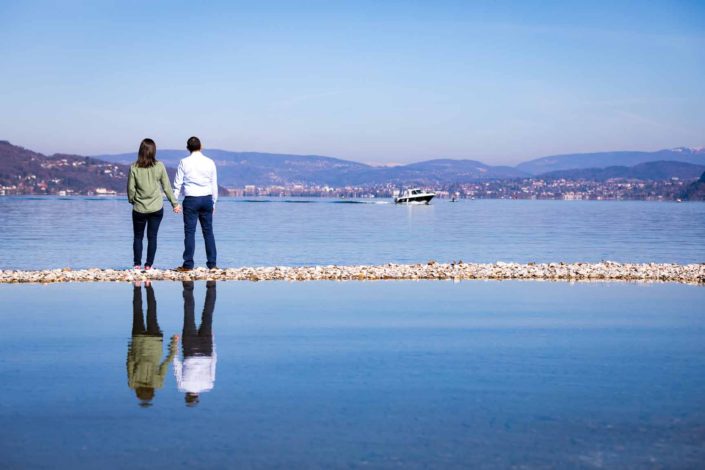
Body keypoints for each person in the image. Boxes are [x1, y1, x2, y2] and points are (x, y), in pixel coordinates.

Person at [127, 138, 180, 271]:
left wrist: (132, 200)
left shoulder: (134, 167)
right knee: (152, 237)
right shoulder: (159, 166)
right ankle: (149, 265)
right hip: (156, 208)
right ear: (153, 151)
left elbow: (130, 189)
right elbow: (167, 187)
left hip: (139, 208)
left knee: (138, 237)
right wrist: (175, 204)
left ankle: (137, 265)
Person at [126, 281, 179, 407]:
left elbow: (166, 362)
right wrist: (131, 347)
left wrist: (174, 343)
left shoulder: (158, 383)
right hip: (138, 341)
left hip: (155, 342)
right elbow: (130, 361)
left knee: (152, 311)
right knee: (137, 311)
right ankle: (138, 286)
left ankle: (148, 285)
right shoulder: (132, 382)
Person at [172, 136, 218, 271]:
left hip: (191, 199)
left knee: (190, 232)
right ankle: (212, 264)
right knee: (208, 232)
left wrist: (175, 202)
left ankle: (188, 264)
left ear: (188, 148)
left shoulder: (184, 162)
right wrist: (214, 202)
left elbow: (177, 183)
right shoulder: (210, 162)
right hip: (206, 198)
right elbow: (213, 184)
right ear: (201, 146)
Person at [173, 281, 217, 406]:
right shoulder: (183, 386)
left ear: (197, 396)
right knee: (189, 314)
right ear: (187, 396)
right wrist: (175, 344)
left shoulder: (209, 385)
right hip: (190, 348)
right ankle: (188, 285)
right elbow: (177, 366)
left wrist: (212, 340)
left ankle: (212, 284)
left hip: (206, 348)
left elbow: (213, 362)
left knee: (208, 315)